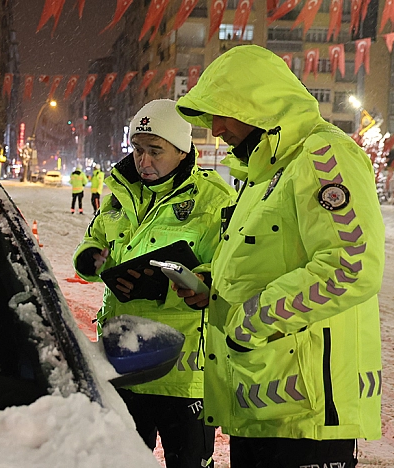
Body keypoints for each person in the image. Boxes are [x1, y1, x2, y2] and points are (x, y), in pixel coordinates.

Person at [175, 45, 385, 467]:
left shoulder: (322, 156)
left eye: (221, 112)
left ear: (256, 105)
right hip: (261, 403)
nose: (214, 129)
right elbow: (264, 259)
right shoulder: (262, 171)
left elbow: (351, 265)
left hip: (309, 413)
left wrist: (249, 323)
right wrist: (213, 287)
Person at [73, 99, 235, 468]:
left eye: (155, 151)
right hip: (123, 360)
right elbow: (93, 242)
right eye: (138, 149)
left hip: (181, 370)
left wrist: (195, 282)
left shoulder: (214, 200)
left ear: (182, 150)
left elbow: (229, 270)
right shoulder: (119, 195)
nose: (143, 161)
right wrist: (90, 259)